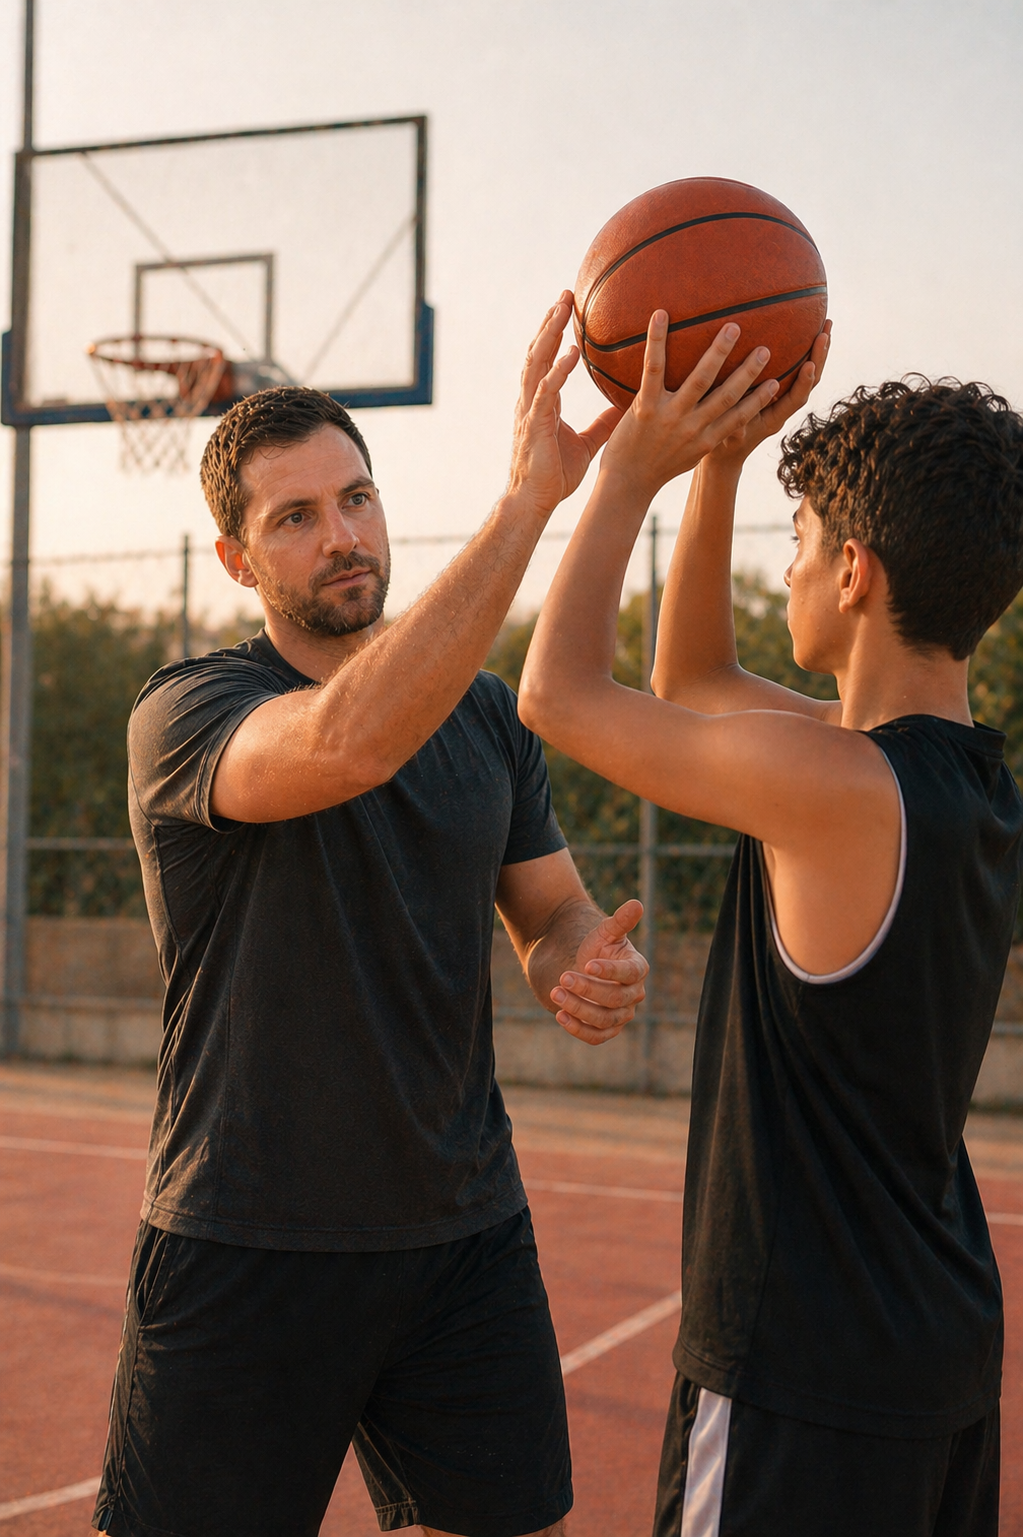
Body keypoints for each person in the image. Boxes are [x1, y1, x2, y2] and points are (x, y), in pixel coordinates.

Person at [91, 296, 670, 1537]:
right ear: (239, 560)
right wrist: (528, 505)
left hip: (463, 1232)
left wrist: (583, 961)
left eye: (355, 498)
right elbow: (347, 742)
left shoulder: (485, 716)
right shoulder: (185, 714)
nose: (341, 535)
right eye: (294, 518)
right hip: (248, 1235)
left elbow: (551, 908)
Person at [518, 312, 1023, 1537]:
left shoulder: (838, 791)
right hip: (933, 1343)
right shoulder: (954, 786)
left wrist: (631, 466)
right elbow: (690, 684)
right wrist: (727, 463)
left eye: (798, 545)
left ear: (854, 573)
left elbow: (558, 692)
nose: (785, 570)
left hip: (802, 1364)